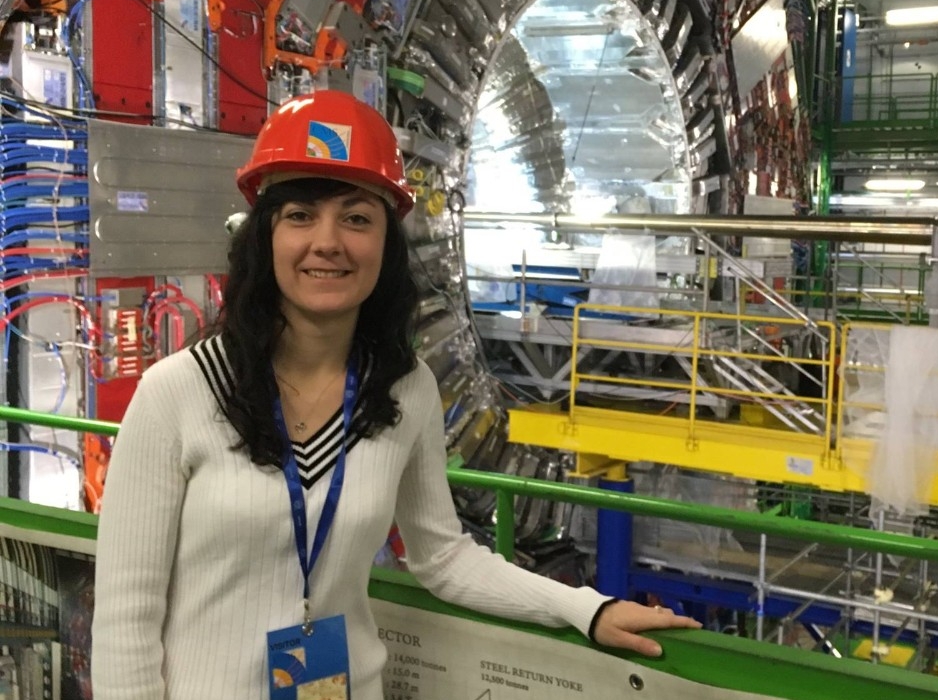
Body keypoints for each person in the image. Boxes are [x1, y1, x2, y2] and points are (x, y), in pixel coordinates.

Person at [91, 90, 699, 699]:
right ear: (265, 237)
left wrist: (584, 610)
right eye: (300, 215)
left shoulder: (406, 393)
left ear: (386, 243)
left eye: (356, 217)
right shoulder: (178, 392)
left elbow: (442, 557)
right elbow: (125, 614)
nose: (327, 242)